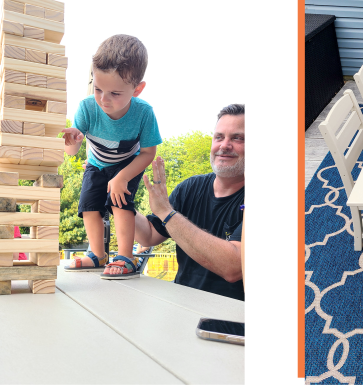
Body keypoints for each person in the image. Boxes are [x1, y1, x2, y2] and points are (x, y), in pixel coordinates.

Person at [61, 34, 161, 279]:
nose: (103, 99)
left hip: (128, 163)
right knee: (88, 205)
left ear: (137, 89)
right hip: (96, 163)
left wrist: (122, 178)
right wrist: (71, 143)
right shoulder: (87, 107)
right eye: (98, 89)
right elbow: (72, 152)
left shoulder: (144, 113)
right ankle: (97, 254)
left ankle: (126, 256)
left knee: (119, 201)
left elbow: (148, 153)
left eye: (115, 93)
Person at [135, 104, 245, 301]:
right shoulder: (190, 188)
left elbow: (234, 267)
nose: (224, 145)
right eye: (219, 137)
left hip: (232, 318)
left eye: (238, 138)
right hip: (181, 306)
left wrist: (167, 213)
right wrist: (120, 199)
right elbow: (149, 236)